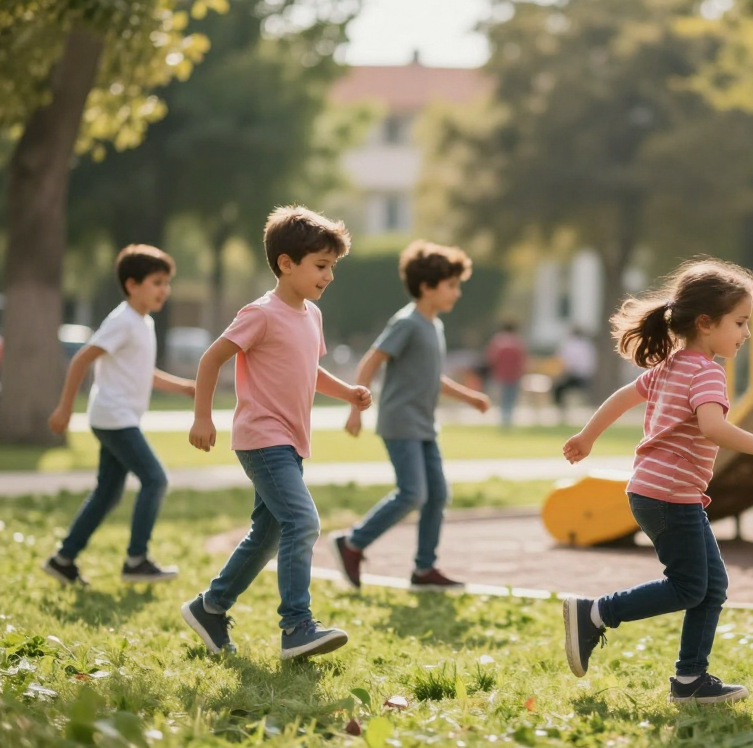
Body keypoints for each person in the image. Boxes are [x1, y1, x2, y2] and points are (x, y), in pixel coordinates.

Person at [559, 258, 753, 705]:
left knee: (712, 586)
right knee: (689, 586)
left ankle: (690, 680)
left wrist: (587, 436)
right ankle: (595, 613)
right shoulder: (705, 371)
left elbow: (621, 397)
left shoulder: (672, 365)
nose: (745, 334)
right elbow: (712, 427)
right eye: (740, 323)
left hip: (658, 492)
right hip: (669, 496)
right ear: (705, 323)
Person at [181, 206, 368, 660]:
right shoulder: (260, 313)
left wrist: (347, 393)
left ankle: (211, 607)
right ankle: (297, 627)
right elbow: (211, 359)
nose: (329, 276)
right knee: (303, 522)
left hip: (291, 441)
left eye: (332, 267)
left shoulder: (311, 316)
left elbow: (310, 368)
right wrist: (202, 417)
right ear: (287, 263)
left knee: (265, 537)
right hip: (262, 438)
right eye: (321, 266)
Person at [334, 241, 491, 590]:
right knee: (412, 493)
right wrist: (355, 407)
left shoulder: (433, 326)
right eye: (451, 285)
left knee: (437, 495)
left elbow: (431, 377)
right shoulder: (407, 323)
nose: (458, 293)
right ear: (426, 287)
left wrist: (470, 398)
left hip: (424, 425)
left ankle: (424, 569)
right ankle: (352, 542)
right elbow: (371, 361)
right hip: (400, 422)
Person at [42, 245, 196, 587]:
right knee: (155, 479)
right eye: (157, 282)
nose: (164, 290)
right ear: (132, 285)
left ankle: (63, 559)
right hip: (115, 417)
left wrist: (185, 387)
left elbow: (145, 372)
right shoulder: (122, 320)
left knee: (108, 493)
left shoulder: (143, 321)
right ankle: (136, 560)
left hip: (116, 417)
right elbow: (82, 359)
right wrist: (65, 409)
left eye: (167, 283)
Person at [485, 321, 527, 430]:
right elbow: (522, 360)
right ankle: (508, 420)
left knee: (502, 398)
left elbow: (491, 358)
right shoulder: (517, 342)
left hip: (501, 374)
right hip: (514, 375)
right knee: (511, 398)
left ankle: (503, 420)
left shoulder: (498, 341)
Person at [552, 327, 596, 417]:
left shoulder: (569, 345)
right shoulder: (588, 345)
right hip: (586, 376)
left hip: (574, 376)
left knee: (558, 389)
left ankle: (561, 411)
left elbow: (565, 362)